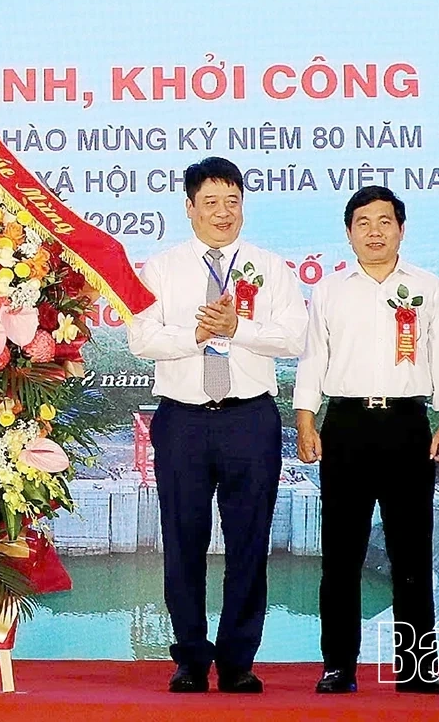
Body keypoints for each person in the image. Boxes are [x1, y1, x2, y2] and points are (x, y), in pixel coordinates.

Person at [128, 156, 307, 693]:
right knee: (182, 541)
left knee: (249, 542)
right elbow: (142, 340)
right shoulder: (159, 269)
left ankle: (237, 660)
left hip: (249, 419)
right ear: (189, 208)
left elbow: (294, 339)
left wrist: (239, 327)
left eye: (232, 201)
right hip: (182, 419)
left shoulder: (270, 267)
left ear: (243, 206)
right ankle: (188, 657)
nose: (223, 212)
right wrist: (199, 335)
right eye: (210, 202)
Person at [294, 186, 439, 695]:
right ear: (349, 233)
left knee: (412, 553)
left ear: (401, 229)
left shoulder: (428, 287)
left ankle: (417, 668)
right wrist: (305, 419)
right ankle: (338, 665)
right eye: (362, 223)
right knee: (340, 555)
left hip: (408, 427)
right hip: (345, 428)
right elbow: (312, 360)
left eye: (384, 222)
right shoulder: (330, 291)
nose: (374, 232)